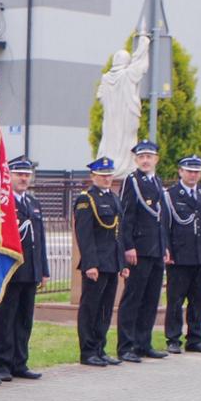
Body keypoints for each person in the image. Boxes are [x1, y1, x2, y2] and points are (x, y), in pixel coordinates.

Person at [117, 140, 170, 362]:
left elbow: (161, 218)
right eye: (141, 157)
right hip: (139, 249)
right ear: (136, 159)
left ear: (156, 159)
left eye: (149, 157)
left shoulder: (156, 181)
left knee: (150, 299)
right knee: (133, 298)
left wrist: (164, 245)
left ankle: (143, 343)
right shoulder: (132, 182)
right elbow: (126, 217)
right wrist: (128, 246)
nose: (145, 161)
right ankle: (126, 346)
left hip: (155, 249)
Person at [0, 156, 47, 381]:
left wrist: (43, 270)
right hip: (11, 270)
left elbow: (40, 239)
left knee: (25, 319)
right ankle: (1, 364)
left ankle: (20, 362)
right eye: (19, 174)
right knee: (6, 319)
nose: (24, 179)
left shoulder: (33, 203)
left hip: (31, 270)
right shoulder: (3, 203)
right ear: (9, 176)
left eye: (27, 175)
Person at [162, 155, 201, 354]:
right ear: (180, 172)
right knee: (176, 300)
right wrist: (166, 249)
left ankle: (194, 338)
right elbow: (164, 226)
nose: (193, 175)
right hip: (179, 256)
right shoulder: (170, 195)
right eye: (189, 171)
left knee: (198, 299)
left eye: (196, 172)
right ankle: (173, 339)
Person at [75, 157, 126, 367]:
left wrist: (122, 264)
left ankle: (100, 348)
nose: (106, 179)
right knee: (91, 308)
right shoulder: (86, 199)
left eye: (109, 175)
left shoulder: (114, 198)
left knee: (105, 309)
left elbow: (118, 234)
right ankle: (87, 351)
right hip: (96, 264)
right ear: (93, 176)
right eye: (102, 175)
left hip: (111, 263)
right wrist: (90, 264)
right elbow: (84, 235)